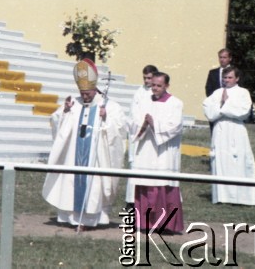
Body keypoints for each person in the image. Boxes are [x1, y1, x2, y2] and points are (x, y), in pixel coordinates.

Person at [42, 59, 127, 230]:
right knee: (70, 183)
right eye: (82, 92)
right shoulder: (73, 103)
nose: (84, 96)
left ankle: (88, 220)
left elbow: (120, 130)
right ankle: (69, 217)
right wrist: (65, 112)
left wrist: (106, 118)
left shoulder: (110, 106)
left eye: (87, 93)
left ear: (95, 89)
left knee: (93, 186)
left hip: (95, 158)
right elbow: (56, 120)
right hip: (73, 157)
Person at [128, 72, 184, 233]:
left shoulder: (175, 103)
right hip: (146, 149)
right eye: (153, 85)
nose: (155, 88)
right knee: (145, 184)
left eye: (159, 86)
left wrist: (155, 124)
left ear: (166, 86)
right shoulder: (143, 101)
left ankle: (166, 225)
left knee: (163, 185)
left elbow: (175, 126)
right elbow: (133, 121)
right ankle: (144, 223)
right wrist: (142, 123)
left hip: (163, 153)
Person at [203, 66, 255, 206]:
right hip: (220, 129)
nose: (226, 80)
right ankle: (222, 197)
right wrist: (221, 104)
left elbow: (243, 111)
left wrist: (225, 105)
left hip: (235, 129)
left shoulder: (243, 92)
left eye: (230, 77)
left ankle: (240, 198)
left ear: (237, 78)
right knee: (220, 161)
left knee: (237, 161)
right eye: (225, 77)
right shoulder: (217, 92)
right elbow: (208, 111)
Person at [125, 64, 159, 208]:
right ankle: (131, 201)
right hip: (139, 134)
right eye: (144, 78)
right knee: (135, 169)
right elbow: (133, 113)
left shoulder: (158, 92)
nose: (146, 81)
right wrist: (140, 124)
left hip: (152, 136)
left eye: (149, 78)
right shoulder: (139, 92)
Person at [205, 48, 232, 134]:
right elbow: (208, 88)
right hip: (216, 106)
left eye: (224, 57)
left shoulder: (235, 72)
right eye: (220, 57)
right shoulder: (213, 72)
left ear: (229, 58)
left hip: (229, 105)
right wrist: (215, 101)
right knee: (214, 131)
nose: (222, 60)